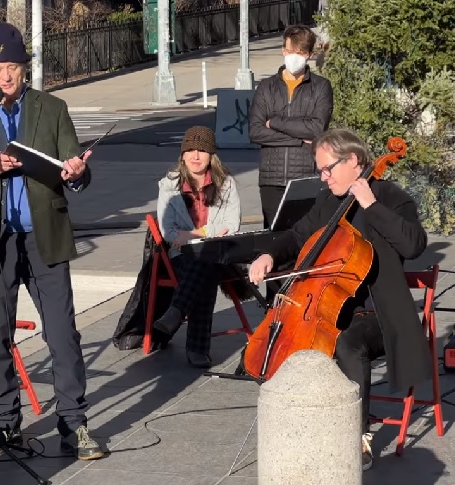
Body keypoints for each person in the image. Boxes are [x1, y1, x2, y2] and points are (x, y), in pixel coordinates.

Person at [0, 22, 103, 461]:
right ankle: (5, 425)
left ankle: (73, 424)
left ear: (24, 69)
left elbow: (73, 164)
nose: (5, 77)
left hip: (43, 236)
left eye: (12, 67)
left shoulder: (52, 108)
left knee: (63, 333)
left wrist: (77, 173)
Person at [247, 128, 432, 471]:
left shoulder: (391, 197)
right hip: (333, 307)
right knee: (298, 341)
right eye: (320, 169)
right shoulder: (328, 202)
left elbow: (414, 245)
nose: (323, 176)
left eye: (328, 168)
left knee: (346, 342)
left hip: (380, 314)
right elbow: (297, 235)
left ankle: (354, 437)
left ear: (353, 162)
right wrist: (270, 255)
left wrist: (371, 206)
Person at [248, 24, 334, 302]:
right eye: (288, 50)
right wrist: (298, 139)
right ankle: (274, 308)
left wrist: (277, 122)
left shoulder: (320, 87)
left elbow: (317, 128)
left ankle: (302, 304)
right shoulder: (267, 86)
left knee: (305, 244)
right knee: (274, 245)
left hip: (304, 177)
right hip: (271, 179)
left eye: (298, 52)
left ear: (308, 54)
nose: (292, 56)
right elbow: (255, 131)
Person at [151, 126, 241, 368]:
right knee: (203, 266)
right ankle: (197, 348)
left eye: (202, 150)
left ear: (212, 155)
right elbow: (168, 232)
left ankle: (176, 312)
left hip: (219, 253)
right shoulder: (170, 185)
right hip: (182, 255)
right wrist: (204, 235)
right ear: (182, 154)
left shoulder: (226, 184)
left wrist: (195, 234)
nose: (195, 156)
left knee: (207, 259)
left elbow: (231, 226)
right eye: (190, 149)